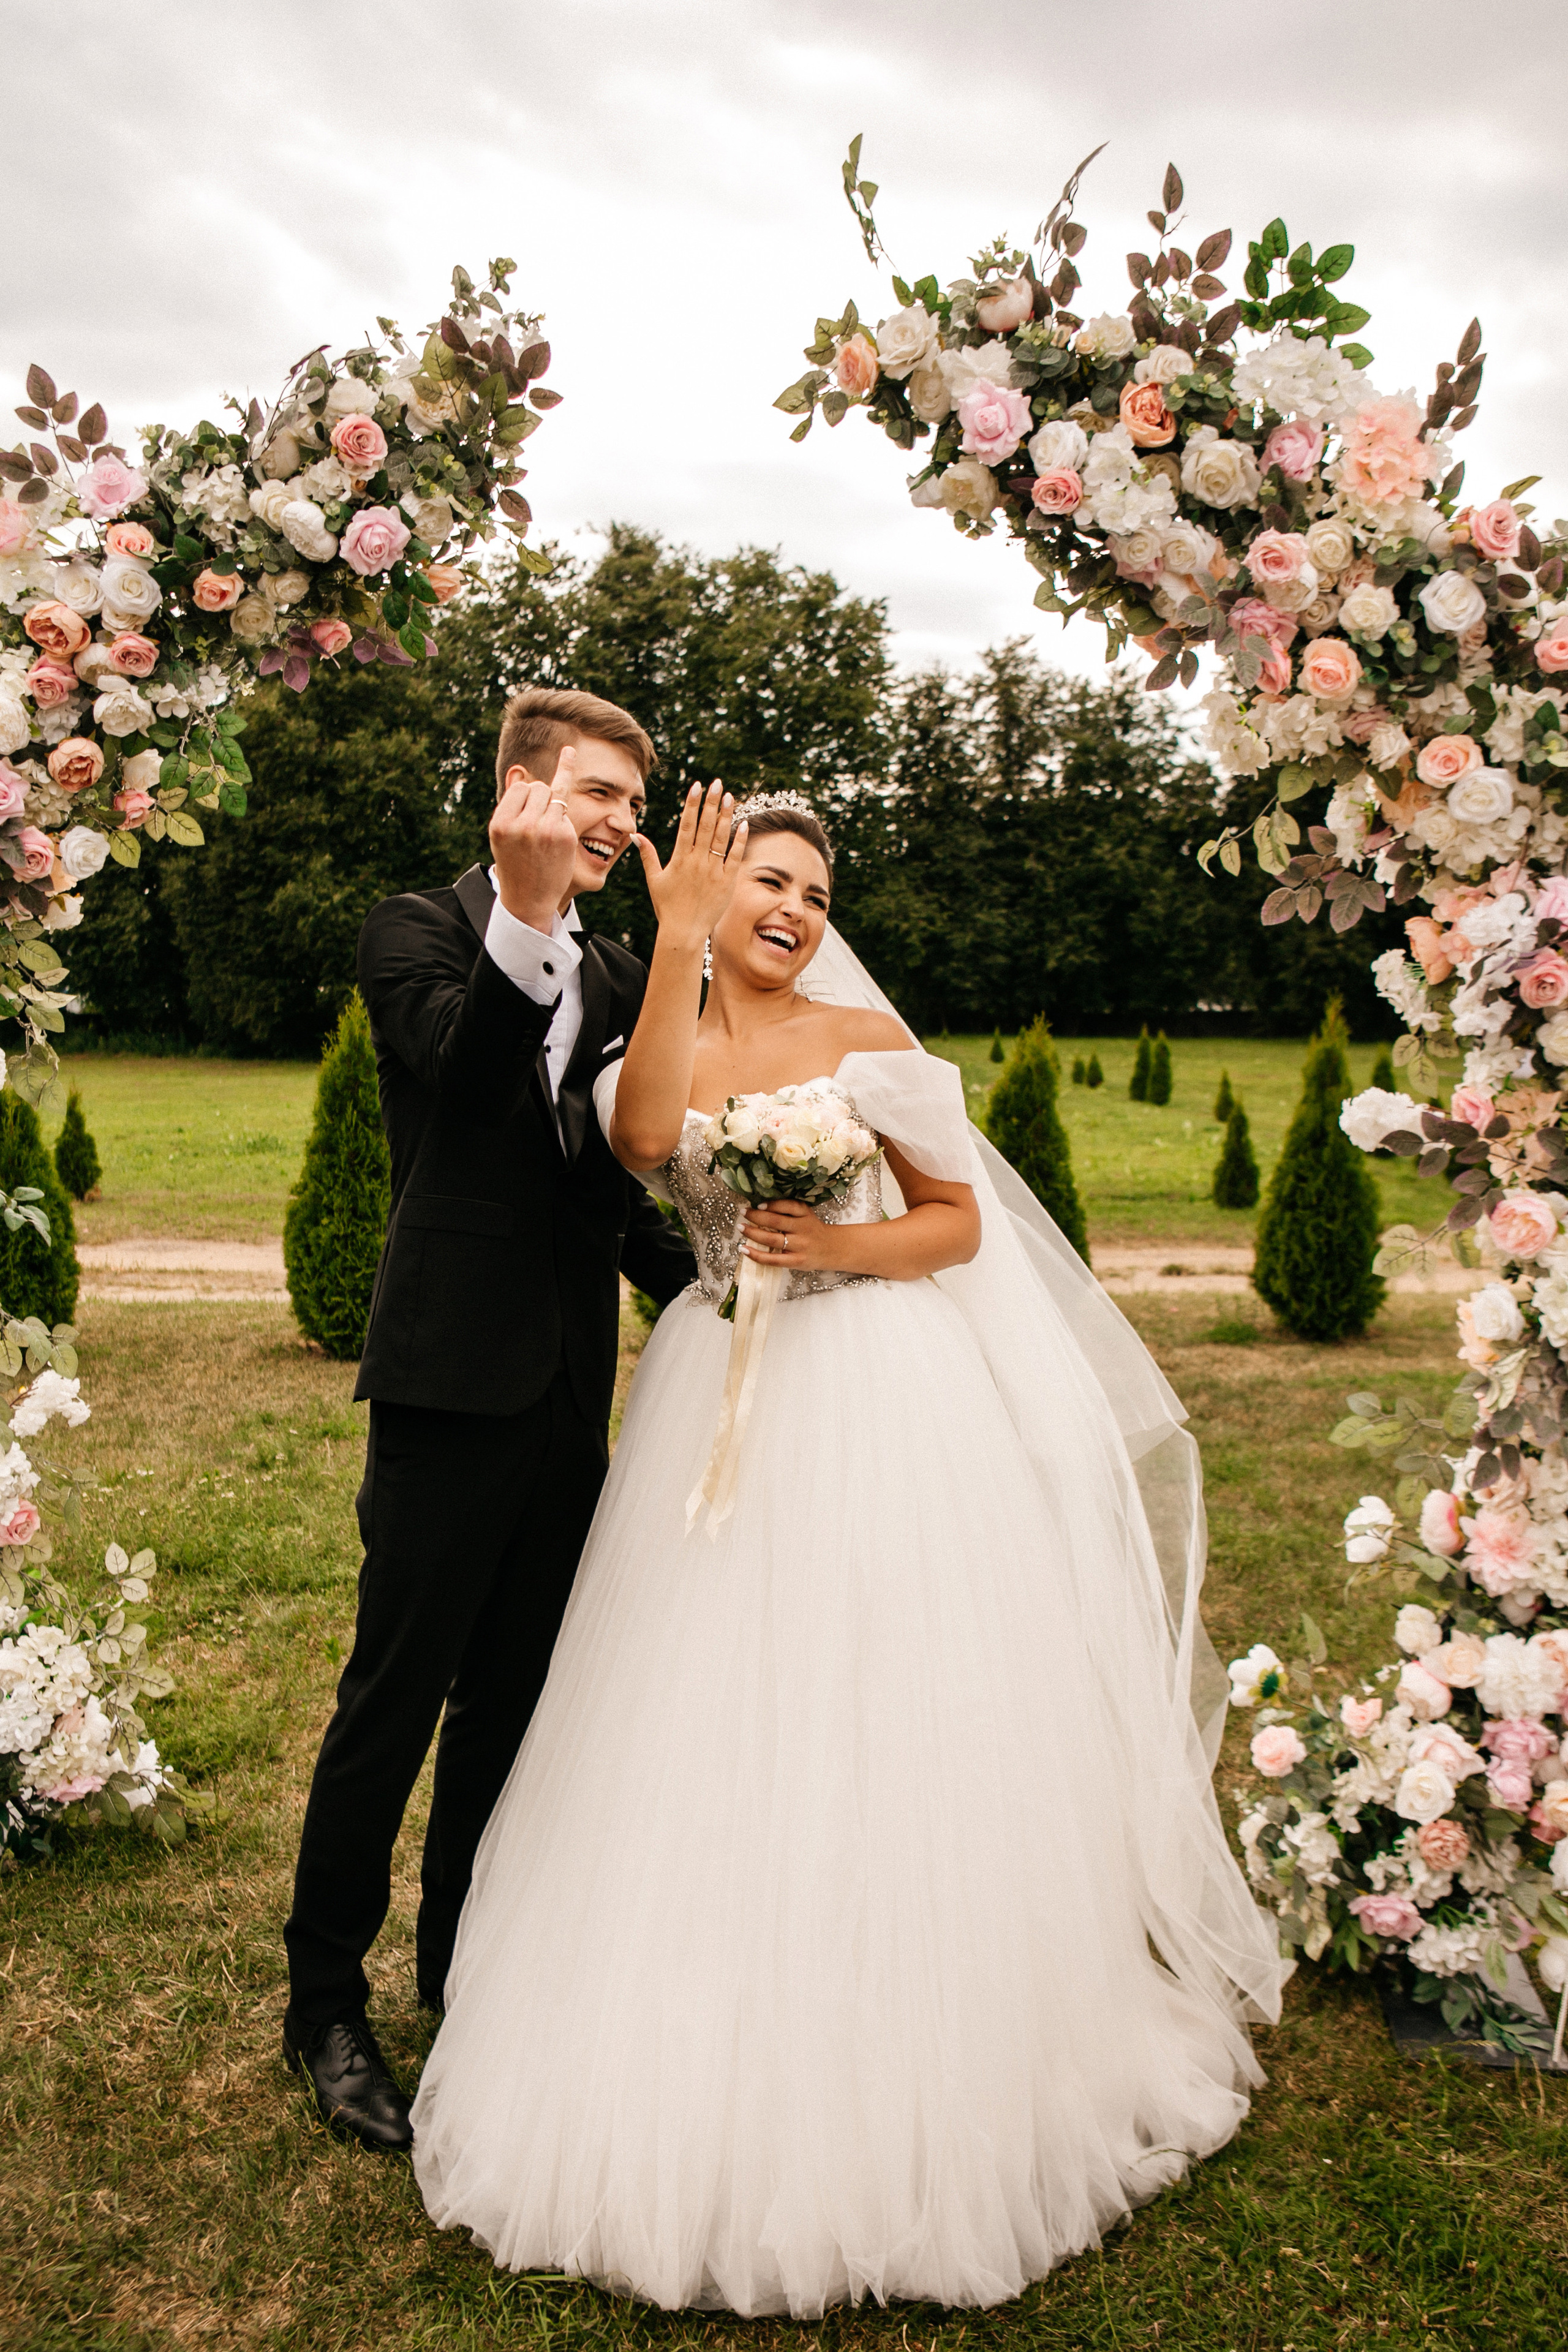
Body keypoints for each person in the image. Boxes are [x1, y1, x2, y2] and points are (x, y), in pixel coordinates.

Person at [410, 780, 1283, 2313]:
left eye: (814, 894)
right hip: (715, 1392)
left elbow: (954, 1221)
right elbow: (643, 1140)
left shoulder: (870, 1044)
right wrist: (675, 945)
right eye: (768, 881)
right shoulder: (652, 1032)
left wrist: (839, 1244)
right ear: (713, 894)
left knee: (882, 1692)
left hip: (880, 1385)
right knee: (699, 1705)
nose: (795, 911)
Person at [281, 687, 696, 2152]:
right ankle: (324, 2007)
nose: (618, 823)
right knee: (391, 1700)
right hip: (448, 1382)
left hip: (570, 1395)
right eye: (593, 793)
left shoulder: (626, 969)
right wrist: (521, 924)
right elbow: (464, 1103)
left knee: (508, 1708)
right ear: (516, 791)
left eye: (630, 802)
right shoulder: (416, 931)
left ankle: (461, 1974)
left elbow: (605, 1189)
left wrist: (730, 1288)